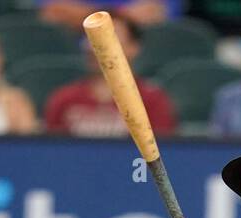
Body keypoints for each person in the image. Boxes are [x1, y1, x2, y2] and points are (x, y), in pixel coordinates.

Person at [45, 11, 177, 136]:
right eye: (90, 38)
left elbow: (164, 151)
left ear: (134, 48)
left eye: (106, 39)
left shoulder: (152, 101)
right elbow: (50, 152)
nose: (93, 47)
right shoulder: (64, 99)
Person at [39, 0, 177, 33]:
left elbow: (154, 13)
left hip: (139, 51)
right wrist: (121, 14)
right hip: (74, 51)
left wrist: (83, 14)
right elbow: (53, 12)